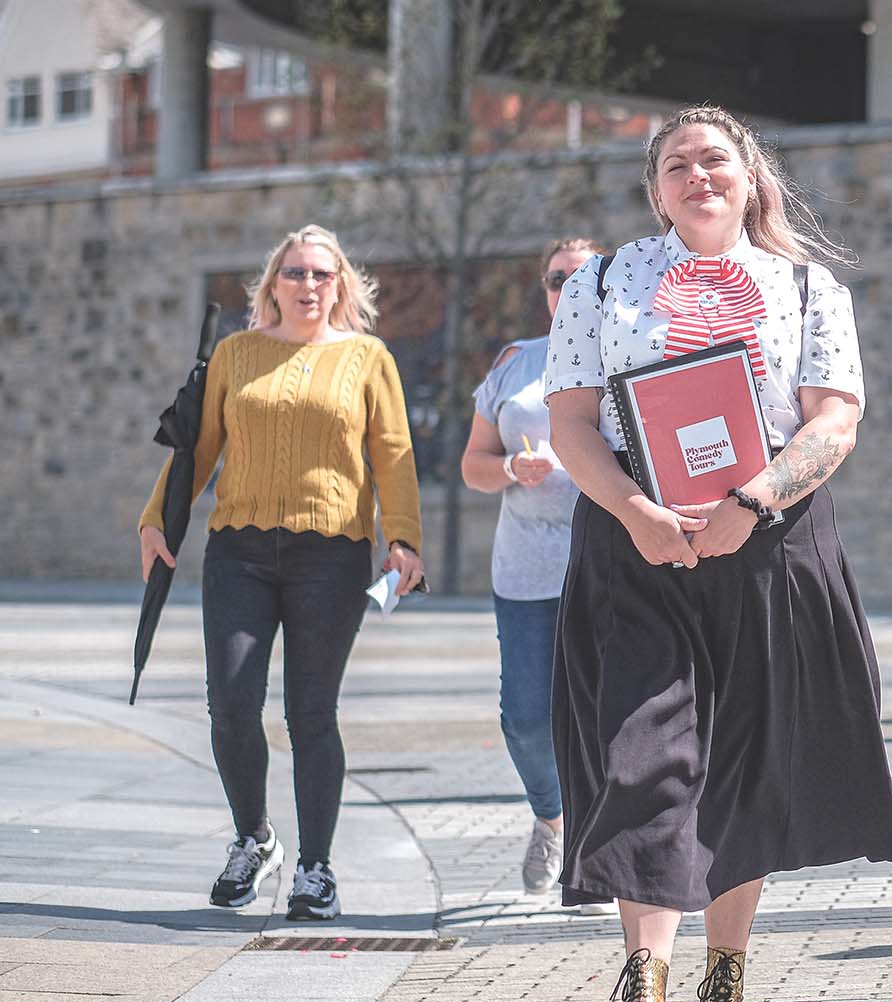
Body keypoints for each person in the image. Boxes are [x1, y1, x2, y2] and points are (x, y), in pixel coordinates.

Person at [543, 105, 892, 1002]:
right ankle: (643, 988)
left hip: (770, 540)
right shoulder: (605, 281)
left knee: (746, 768)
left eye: (714, 161)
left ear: (750, 178)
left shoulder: (805, 285)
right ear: (654, 187)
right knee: (640, 757)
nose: (697, 176)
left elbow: (833, 420)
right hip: (636, 542)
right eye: (675, 165)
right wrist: (633, 510)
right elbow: (572, 419)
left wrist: (754, 499)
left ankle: (724, 987)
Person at [137, 224, 426, 922]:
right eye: (294, 273)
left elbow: (393, 452)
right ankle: (254, 838)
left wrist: (405, 538)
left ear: (340, 285)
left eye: (321, 274)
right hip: (238, 548)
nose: (307, 286)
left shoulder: (367, 357)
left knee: (309, 712)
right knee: (232, 705)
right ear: (272, 285)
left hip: (331, 552)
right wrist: (156, 519)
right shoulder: (237, 355)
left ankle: (316, 869)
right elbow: (199, 448)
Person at [460, 237, 620, 911]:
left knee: (609, 716)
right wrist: (506, 471)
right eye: (557, 279)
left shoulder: (632, 359)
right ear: (545, 290)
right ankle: (551, 817)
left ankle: (602, 854)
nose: (567, 289)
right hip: (525, 570)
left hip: (612, 565)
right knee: (526, 719)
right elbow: (472, 463)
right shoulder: (514, 365)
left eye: (583, 279)